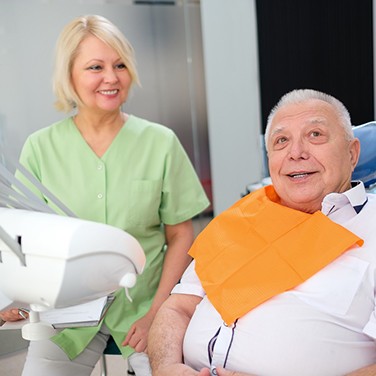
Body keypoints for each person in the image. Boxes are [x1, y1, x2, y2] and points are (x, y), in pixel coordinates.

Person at [2, 14, 209, 376]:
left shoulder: (160, 143)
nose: (111, 78)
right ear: (69, 76)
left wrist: (158, 310)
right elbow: (22, 240)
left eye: (120, 65)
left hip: (143, 306)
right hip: (65, 314)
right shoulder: (40, 147)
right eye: (95, 67)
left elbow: (180, 235)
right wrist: (14, 298)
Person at [148, 89, 376, 376]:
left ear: (352, 153)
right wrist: (166, 368)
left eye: (315, 135)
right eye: (281, 141)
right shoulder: (241, 218)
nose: (296, 153)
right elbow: (177, 308)